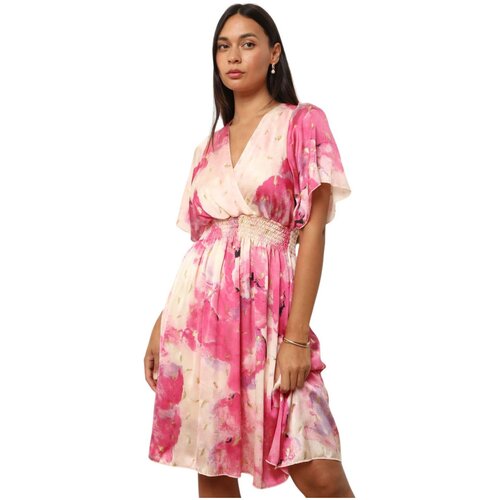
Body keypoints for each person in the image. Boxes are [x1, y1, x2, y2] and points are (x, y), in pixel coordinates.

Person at [144, 3, 355, 497]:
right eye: (223, 46)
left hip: (274, 318)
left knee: (318, 469)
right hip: (201, 323)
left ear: (274, 53)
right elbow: (204, 249)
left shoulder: (302, 122)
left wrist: (296, 338)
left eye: (248, 43)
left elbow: (313, 232)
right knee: (214, 467)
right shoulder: (207, 149)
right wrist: (161, 324)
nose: (233, 56)